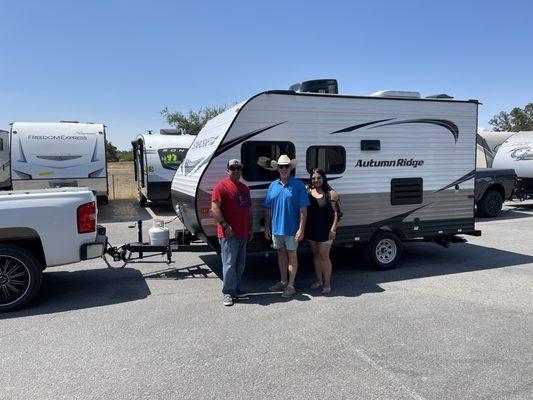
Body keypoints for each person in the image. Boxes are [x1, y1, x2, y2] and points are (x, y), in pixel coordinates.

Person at [264, 155, 310, 298]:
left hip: (292, 229)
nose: (284, 169)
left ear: (291, 168)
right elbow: (267, 208)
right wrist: (267, 227)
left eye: (286, 166)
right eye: (281, 166)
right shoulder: (273, 185)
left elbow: (303, 210)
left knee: (292, 254)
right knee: (281, 254)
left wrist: (301, 229)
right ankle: (283, 282)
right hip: (276, 228)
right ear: (277, 168)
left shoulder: (298, 185)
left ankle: (291, 285)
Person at [211, 159, 253, 306]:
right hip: (228, 234)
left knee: (240, 264)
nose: (236, 171)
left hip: (243, 232)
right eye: (233, 168)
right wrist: (225, 225)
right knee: (229, 264)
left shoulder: (245, 188)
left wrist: (250, 227)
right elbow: (215, 208)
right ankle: (227, 293)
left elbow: (248, 209)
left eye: (238, 168)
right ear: (227, 170)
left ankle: (235, 289)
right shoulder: (221, 186)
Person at [304, 168, 339, 294]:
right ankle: (319, 280)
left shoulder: (331, 193)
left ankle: (327, 282)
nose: (316, 180)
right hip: (312, 230)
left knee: (324, 256)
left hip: (326, 231)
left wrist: (333, 229)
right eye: (313, 178)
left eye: (318, 177)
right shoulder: (308, 192)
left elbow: (337, 213)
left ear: (323, 178)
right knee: (316, 256)